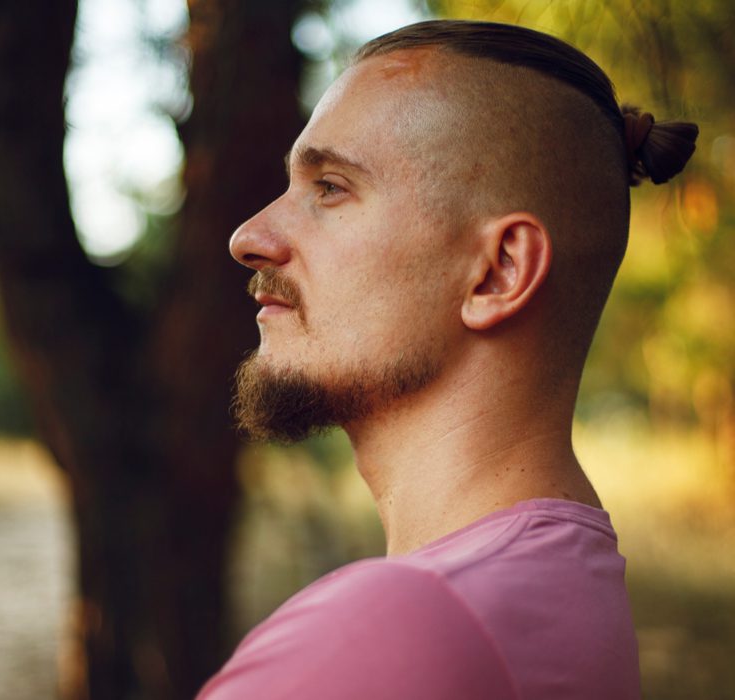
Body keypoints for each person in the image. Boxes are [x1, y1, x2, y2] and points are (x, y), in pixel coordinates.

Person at [197, 19, 698, 700]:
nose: (249, 237)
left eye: (331, 187)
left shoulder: (391, 628)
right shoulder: (563, 582)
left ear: (497, 273)